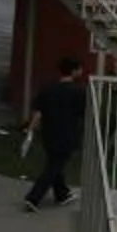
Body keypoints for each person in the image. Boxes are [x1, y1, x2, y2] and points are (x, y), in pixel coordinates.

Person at [22, 56, 89, 210]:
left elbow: (38, 113)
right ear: (74, 71)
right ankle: (33, 198)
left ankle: (62, 194)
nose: (81, 71)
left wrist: (30, 130)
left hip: (48, 134)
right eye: (79, 68)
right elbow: (85, 113)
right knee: (53, 167)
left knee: (54, 164)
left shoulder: (48, 89)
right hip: (67, 135)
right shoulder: (79, 92)